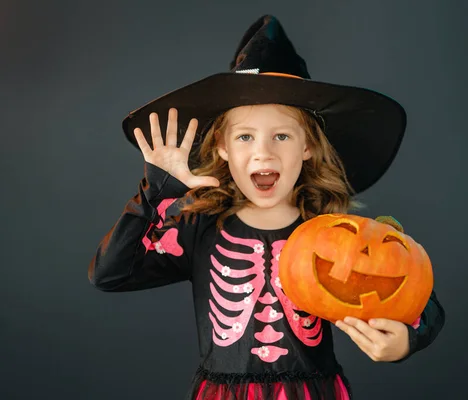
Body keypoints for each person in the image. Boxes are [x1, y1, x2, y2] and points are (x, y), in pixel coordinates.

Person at [89, 15, 445, 400]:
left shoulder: (337, 234)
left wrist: (411, 338)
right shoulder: (196, 228)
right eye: (245, 136)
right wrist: (153, 196)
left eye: (282, 135)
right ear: (222, 148)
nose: (263, 151)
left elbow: (420, 299)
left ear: (307, 148)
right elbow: (109, 273)